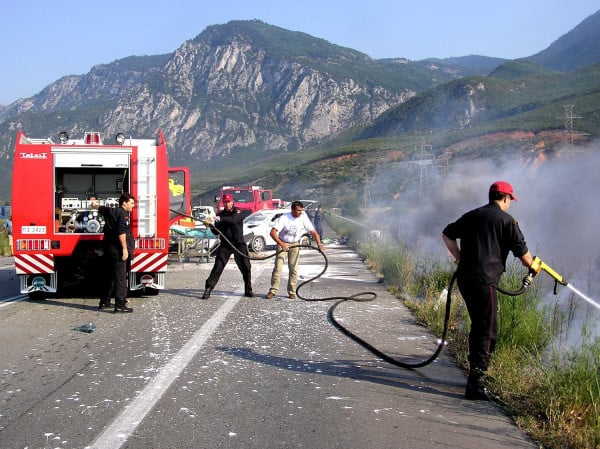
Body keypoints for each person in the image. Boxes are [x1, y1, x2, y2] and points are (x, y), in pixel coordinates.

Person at [442, 181, 534, 401]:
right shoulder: (507, 221)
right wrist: (534, 267)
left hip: (466, 279)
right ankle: (476, 383)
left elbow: (447, 234)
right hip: (485, 282)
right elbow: (525, 258)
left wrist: (459, 258)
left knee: (479, 325)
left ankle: (475, 374)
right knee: (488, 331)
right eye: (510, 200)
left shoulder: (472, 215)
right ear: (505, 198)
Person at [266, 201, 325, 299]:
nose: (300, 212)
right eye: (298, 210)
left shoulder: (303, 217)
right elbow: (272, 233)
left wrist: (319, 244)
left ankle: (291, 291)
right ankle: (273, 290)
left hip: (295, 244)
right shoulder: (284, 218)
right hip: (282, 242)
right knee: (278, 267)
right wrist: (282, 244)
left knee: (293, 268)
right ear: (292, 210)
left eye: (301, 210)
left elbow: (314, 232)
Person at [201, 193, 253, 299]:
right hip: (225, 245)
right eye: (225, 202)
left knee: (246, 267)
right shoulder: (220, 215)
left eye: (228, 202)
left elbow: (233, 220)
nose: (227, 204)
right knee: (217, 267)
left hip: (239, 245)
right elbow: (216, 232)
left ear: (232, 202)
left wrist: (219, 219)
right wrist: (210, 225)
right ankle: (208, 289)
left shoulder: (238, 212)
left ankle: (248, 290)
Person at [92, 193, 136, 312]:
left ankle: (105, 301)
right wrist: (124, 249)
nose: (133, 206)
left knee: (109, 275)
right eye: (131, 203)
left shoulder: (111, 211)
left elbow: (100, 208)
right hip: (117, 250)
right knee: (120, 277)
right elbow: (121, 232)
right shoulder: (123, 215)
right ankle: (120, 305)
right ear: (124, 203)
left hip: (108, 248)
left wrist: (94, 204)